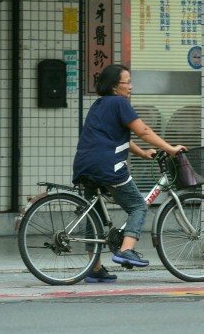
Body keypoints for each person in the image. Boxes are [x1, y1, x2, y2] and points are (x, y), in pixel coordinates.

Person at [73, 64, 187, 283]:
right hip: (107, 165)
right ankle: (126, 249)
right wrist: (170, 149)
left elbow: (119, 137)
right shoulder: (119, 103)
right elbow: (142, 130)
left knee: (93, 216)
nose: (131, 87)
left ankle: (94, 268)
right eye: (128, 82)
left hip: (85, 164)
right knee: (137, 205)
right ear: (116, 87)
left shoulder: (98, 105)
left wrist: (143, 154)